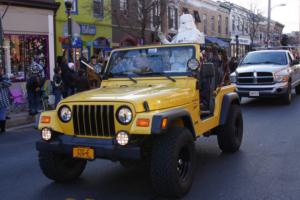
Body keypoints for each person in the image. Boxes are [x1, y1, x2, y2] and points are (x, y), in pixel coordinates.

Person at [0, 68, 11, 133]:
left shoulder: (3, 79)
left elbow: (9, 83)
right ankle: (2, 129)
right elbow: (9, 83)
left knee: (2, 114)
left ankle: (2, 128)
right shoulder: (3, 80)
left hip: (3, 99)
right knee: (2, 114)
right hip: (3, 99)